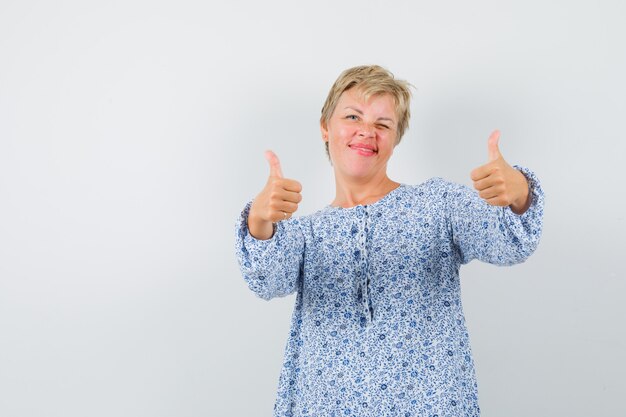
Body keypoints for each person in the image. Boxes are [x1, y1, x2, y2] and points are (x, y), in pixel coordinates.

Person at [234, 65, 544, 417]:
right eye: (353, 116)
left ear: (395, 140)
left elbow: (509, 242)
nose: (366, 132)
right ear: (325, 127)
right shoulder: (305, 235)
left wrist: (519, 194)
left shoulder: (437, 206)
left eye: (383, 124)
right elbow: (266, 280)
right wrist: (259, 220)